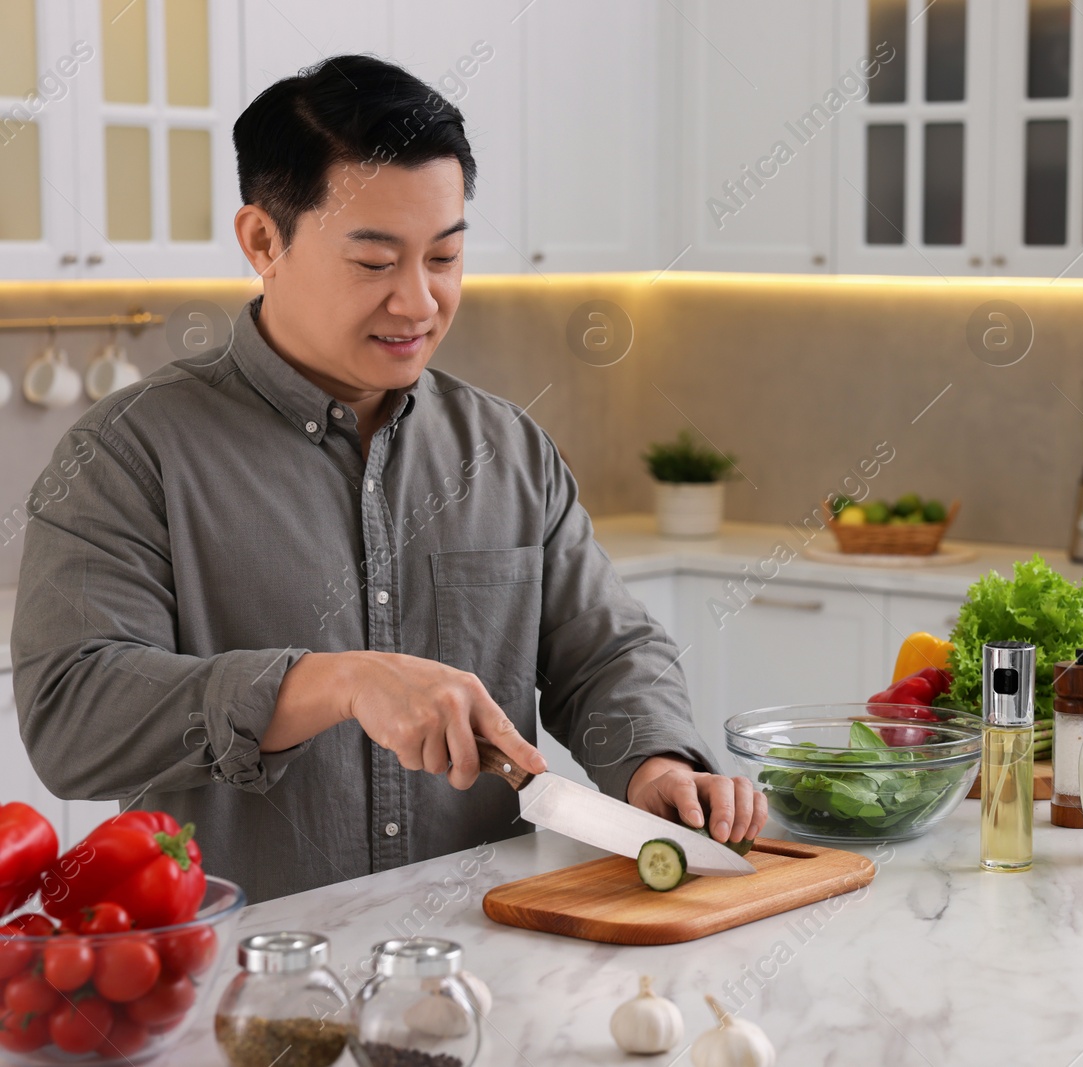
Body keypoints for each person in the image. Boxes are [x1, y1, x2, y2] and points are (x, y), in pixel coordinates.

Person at [8, 54, 764, 903]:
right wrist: (332, 681)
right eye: (375, 263)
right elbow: (70, 714)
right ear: (263, 240)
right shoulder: (126, 454)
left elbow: (607, 652)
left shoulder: (508, 450)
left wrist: (654, 755)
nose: (418, 302)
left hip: (485, 964)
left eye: (444, 257)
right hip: (248, 988)